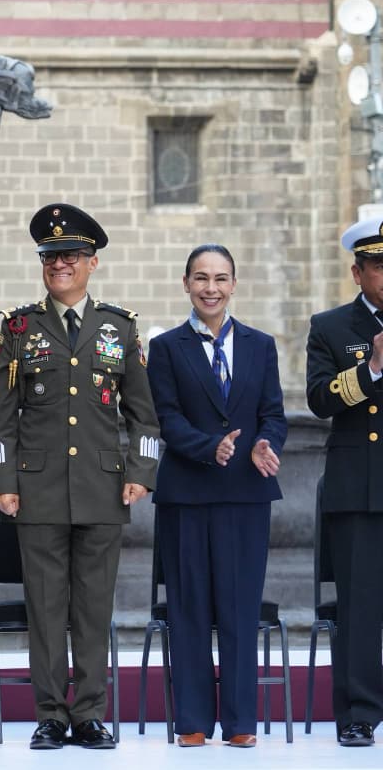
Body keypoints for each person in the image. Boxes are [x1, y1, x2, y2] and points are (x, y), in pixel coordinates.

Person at [0, 203, 159, 750]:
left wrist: (142, 472)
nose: (59, 264)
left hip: (104, 488)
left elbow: (144, 415)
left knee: (92, 607)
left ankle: (88, 714)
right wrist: (2, 481)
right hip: (35, 490)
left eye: (71, 256)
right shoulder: (19, 327)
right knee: (44, 607)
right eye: (50, 256)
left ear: (92, 262)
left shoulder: (119, 327)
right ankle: (50, 716)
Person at [147, 244, 285, 748]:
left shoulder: (260, 344)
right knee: (188, 610)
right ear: (186, 283)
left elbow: (272, 411)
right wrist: (211, 447)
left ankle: (242, 721)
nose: (211, 288)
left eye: (221, 278)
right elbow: (166, 418)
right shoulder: (165, 348)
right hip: (188, 492)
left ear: (234, 285)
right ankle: (192, 721)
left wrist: (266, 443)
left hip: (247, 495)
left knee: (239, 609)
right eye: (201, 278)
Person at [306, 215, 383, 747]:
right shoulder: (332, 326)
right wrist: (370, 369)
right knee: (358, 608)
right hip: (360, 486)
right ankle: (359, 712)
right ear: (358, 272)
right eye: (379, 266)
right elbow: (317, 400)